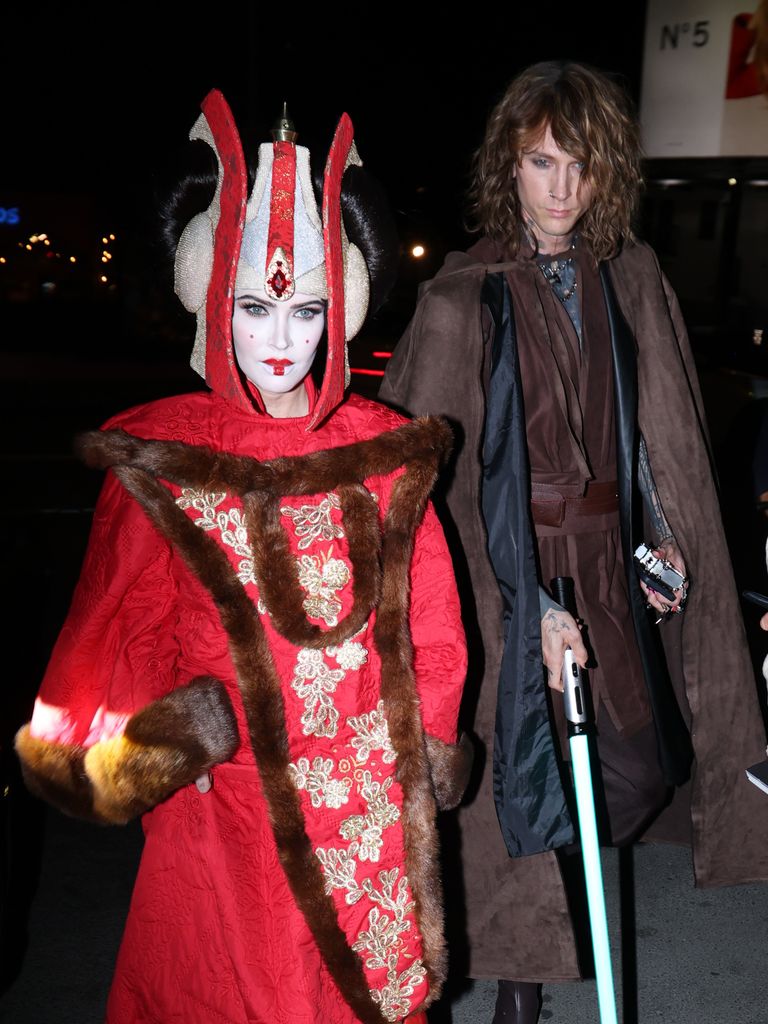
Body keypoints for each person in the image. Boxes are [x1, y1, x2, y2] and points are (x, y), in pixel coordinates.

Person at [15, 91, 470, 1024]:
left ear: (338, 311)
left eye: (305, 310)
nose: (279, 339)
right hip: (221, 803)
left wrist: (423, 743)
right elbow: (116, 617)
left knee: (341, 988)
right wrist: (166, 739)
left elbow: (432, 620)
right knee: (221, 986)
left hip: (357, 800)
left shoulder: (385, 454)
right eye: (257, 307)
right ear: (216, 302)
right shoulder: (162, 458)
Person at [380, 61, 768, 1023]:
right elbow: (431, 481)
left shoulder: (629, 277)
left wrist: (666, 537)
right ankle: (524, 980)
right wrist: (529, 602)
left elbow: (656, 435)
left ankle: (568, 899)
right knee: (519, 776)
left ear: (606, 175)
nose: (562, 190)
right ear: (508, 165)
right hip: (502, 569)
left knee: (635, 771)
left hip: (608, 560)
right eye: (543, 162)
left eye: (582, 167)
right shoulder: (461, 294)